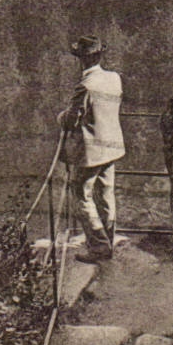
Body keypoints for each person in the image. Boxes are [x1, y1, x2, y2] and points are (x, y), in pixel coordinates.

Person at [59, 32, 125, 262]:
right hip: (112, 146)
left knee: (81, 196)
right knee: (106, 194)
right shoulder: (114, 78)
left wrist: (61, 117)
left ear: (83, 59)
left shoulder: (85, 85)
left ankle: (98, 247)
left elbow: (71, 119)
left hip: (90, 151)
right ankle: (107, 241)